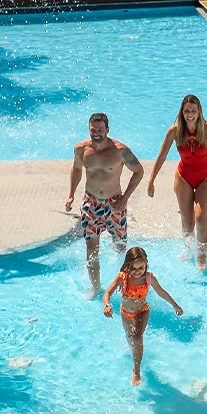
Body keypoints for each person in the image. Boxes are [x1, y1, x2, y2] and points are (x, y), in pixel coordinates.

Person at [146, 94, 207, 270]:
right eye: (187, 111)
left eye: (194, 110)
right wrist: (151, 179)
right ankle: (188, 247)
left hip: (205, 178)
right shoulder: (174, 131)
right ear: (182, 112)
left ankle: (202, 256)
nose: (190, 114)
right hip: (184, 177)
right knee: (188, 223)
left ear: (199, 112)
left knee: (201, 219)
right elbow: (162, 155)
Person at [66, 112, 142, 295]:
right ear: (89, 129)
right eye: (93, 129)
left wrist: (125, 198)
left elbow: (138, 171)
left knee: (120, 247)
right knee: (92, 248)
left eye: (100, 129)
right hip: (91, 203)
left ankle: (125, 285)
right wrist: (71, 194)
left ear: (107, 130)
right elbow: (76, 169)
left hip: (115, 203)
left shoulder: (120, 150)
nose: (96, 132)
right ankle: (96, 287)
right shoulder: (81, 149)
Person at [102, 245, 182, 386]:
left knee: (137, 337)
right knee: (130, 338)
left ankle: (136, 370)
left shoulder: (149, 278)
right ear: (128, 265)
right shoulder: (123, 277)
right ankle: (135, 351)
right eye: (134, 268)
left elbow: (161, 292)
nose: (138, 271)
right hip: (126, 313)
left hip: (142, 311)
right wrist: (107, 305)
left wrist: (174, 304)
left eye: (141, 268)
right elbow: (107, 293)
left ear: (146, 265)